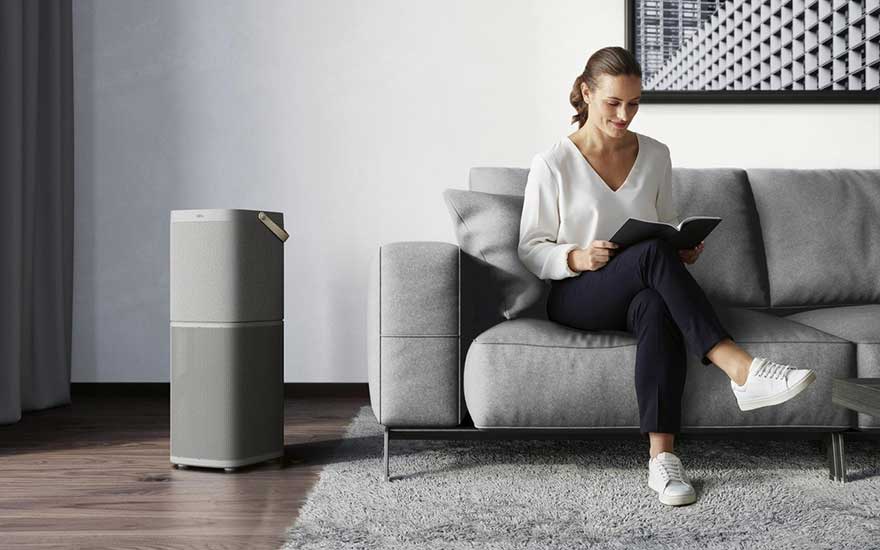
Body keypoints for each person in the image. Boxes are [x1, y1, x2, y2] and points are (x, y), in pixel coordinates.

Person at [516, 46, 817, 507]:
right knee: (653, 254)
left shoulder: (655, 154)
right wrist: (576, 257)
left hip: (641, 286)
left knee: (657, 301)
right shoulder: (553, 162)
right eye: (613, 102)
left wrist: (682, 248)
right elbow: (530, 248)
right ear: (586, 93)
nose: (624, 115)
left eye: (634, 103)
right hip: (577, 294)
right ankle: (740, 368)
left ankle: (663, 460)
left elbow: (663, 223)